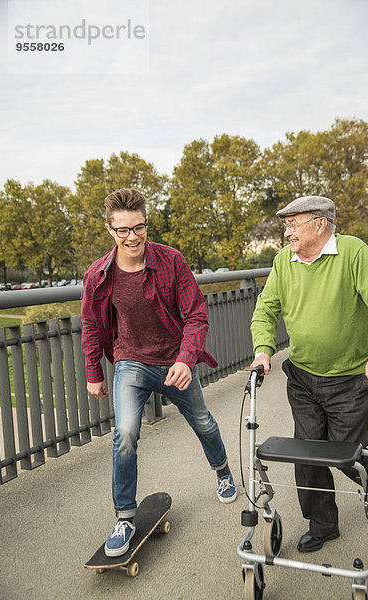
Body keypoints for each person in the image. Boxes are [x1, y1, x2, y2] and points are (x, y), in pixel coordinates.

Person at [81, 188, 236, 558]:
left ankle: (223, 470)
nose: (132, 236)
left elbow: (196, 314)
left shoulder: (171, 261)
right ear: (110, 230)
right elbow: (90, 324)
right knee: (125, 433)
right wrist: (94, 372)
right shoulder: (98, 275)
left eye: (139, 227)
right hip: (130, 361)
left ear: (147, 222)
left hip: (174, 360)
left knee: (202, 421)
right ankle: (124, 517)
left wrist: (186, 359)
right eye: (123, 230)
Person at [250, 195, 368, 553]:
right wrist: (263, 349)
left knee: (346, 452)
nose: (287, 232)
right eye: (286, 224)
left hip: (350, 378)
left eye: (292, 223)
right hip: (302, 376)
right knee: (308, 451)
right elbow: (266, 309)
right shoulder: (284, 261)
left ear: (320, 224)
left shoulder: (353, 252)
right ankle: (322, 524)